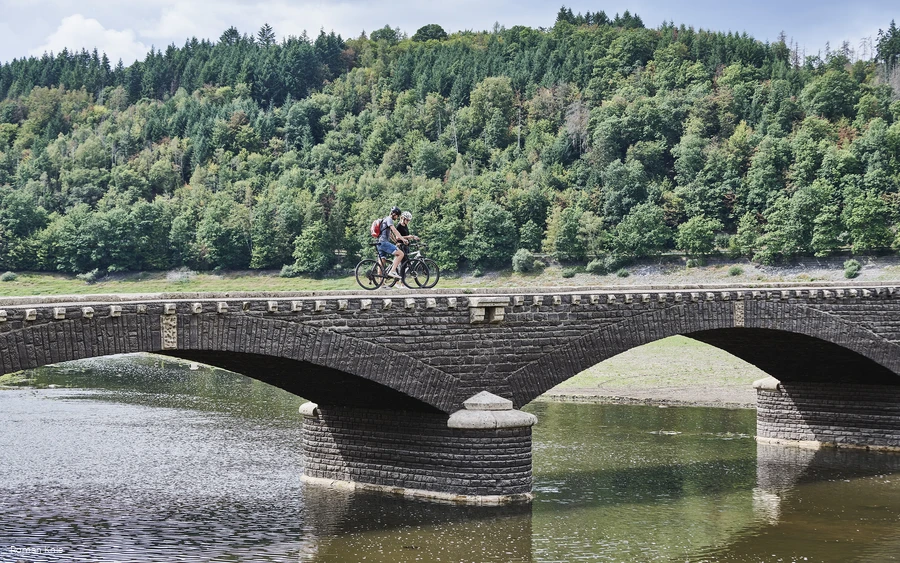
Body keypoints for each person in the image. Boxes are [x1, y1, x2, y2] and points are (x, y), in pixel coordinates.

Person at [377, 206, 409, 278]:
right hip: (384, 243)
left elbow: (390, 234)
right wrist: (403, 239)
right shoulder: (389, 219)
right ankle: (393, 271)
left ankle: (381, 284)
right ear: (394, 214)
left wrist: (395, 242)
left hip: (379, 243)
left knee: (382, 263)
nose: (397, 218)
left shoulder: (385, 219)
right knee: (401, 254)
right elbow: (394, 231)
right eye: (397, 216)